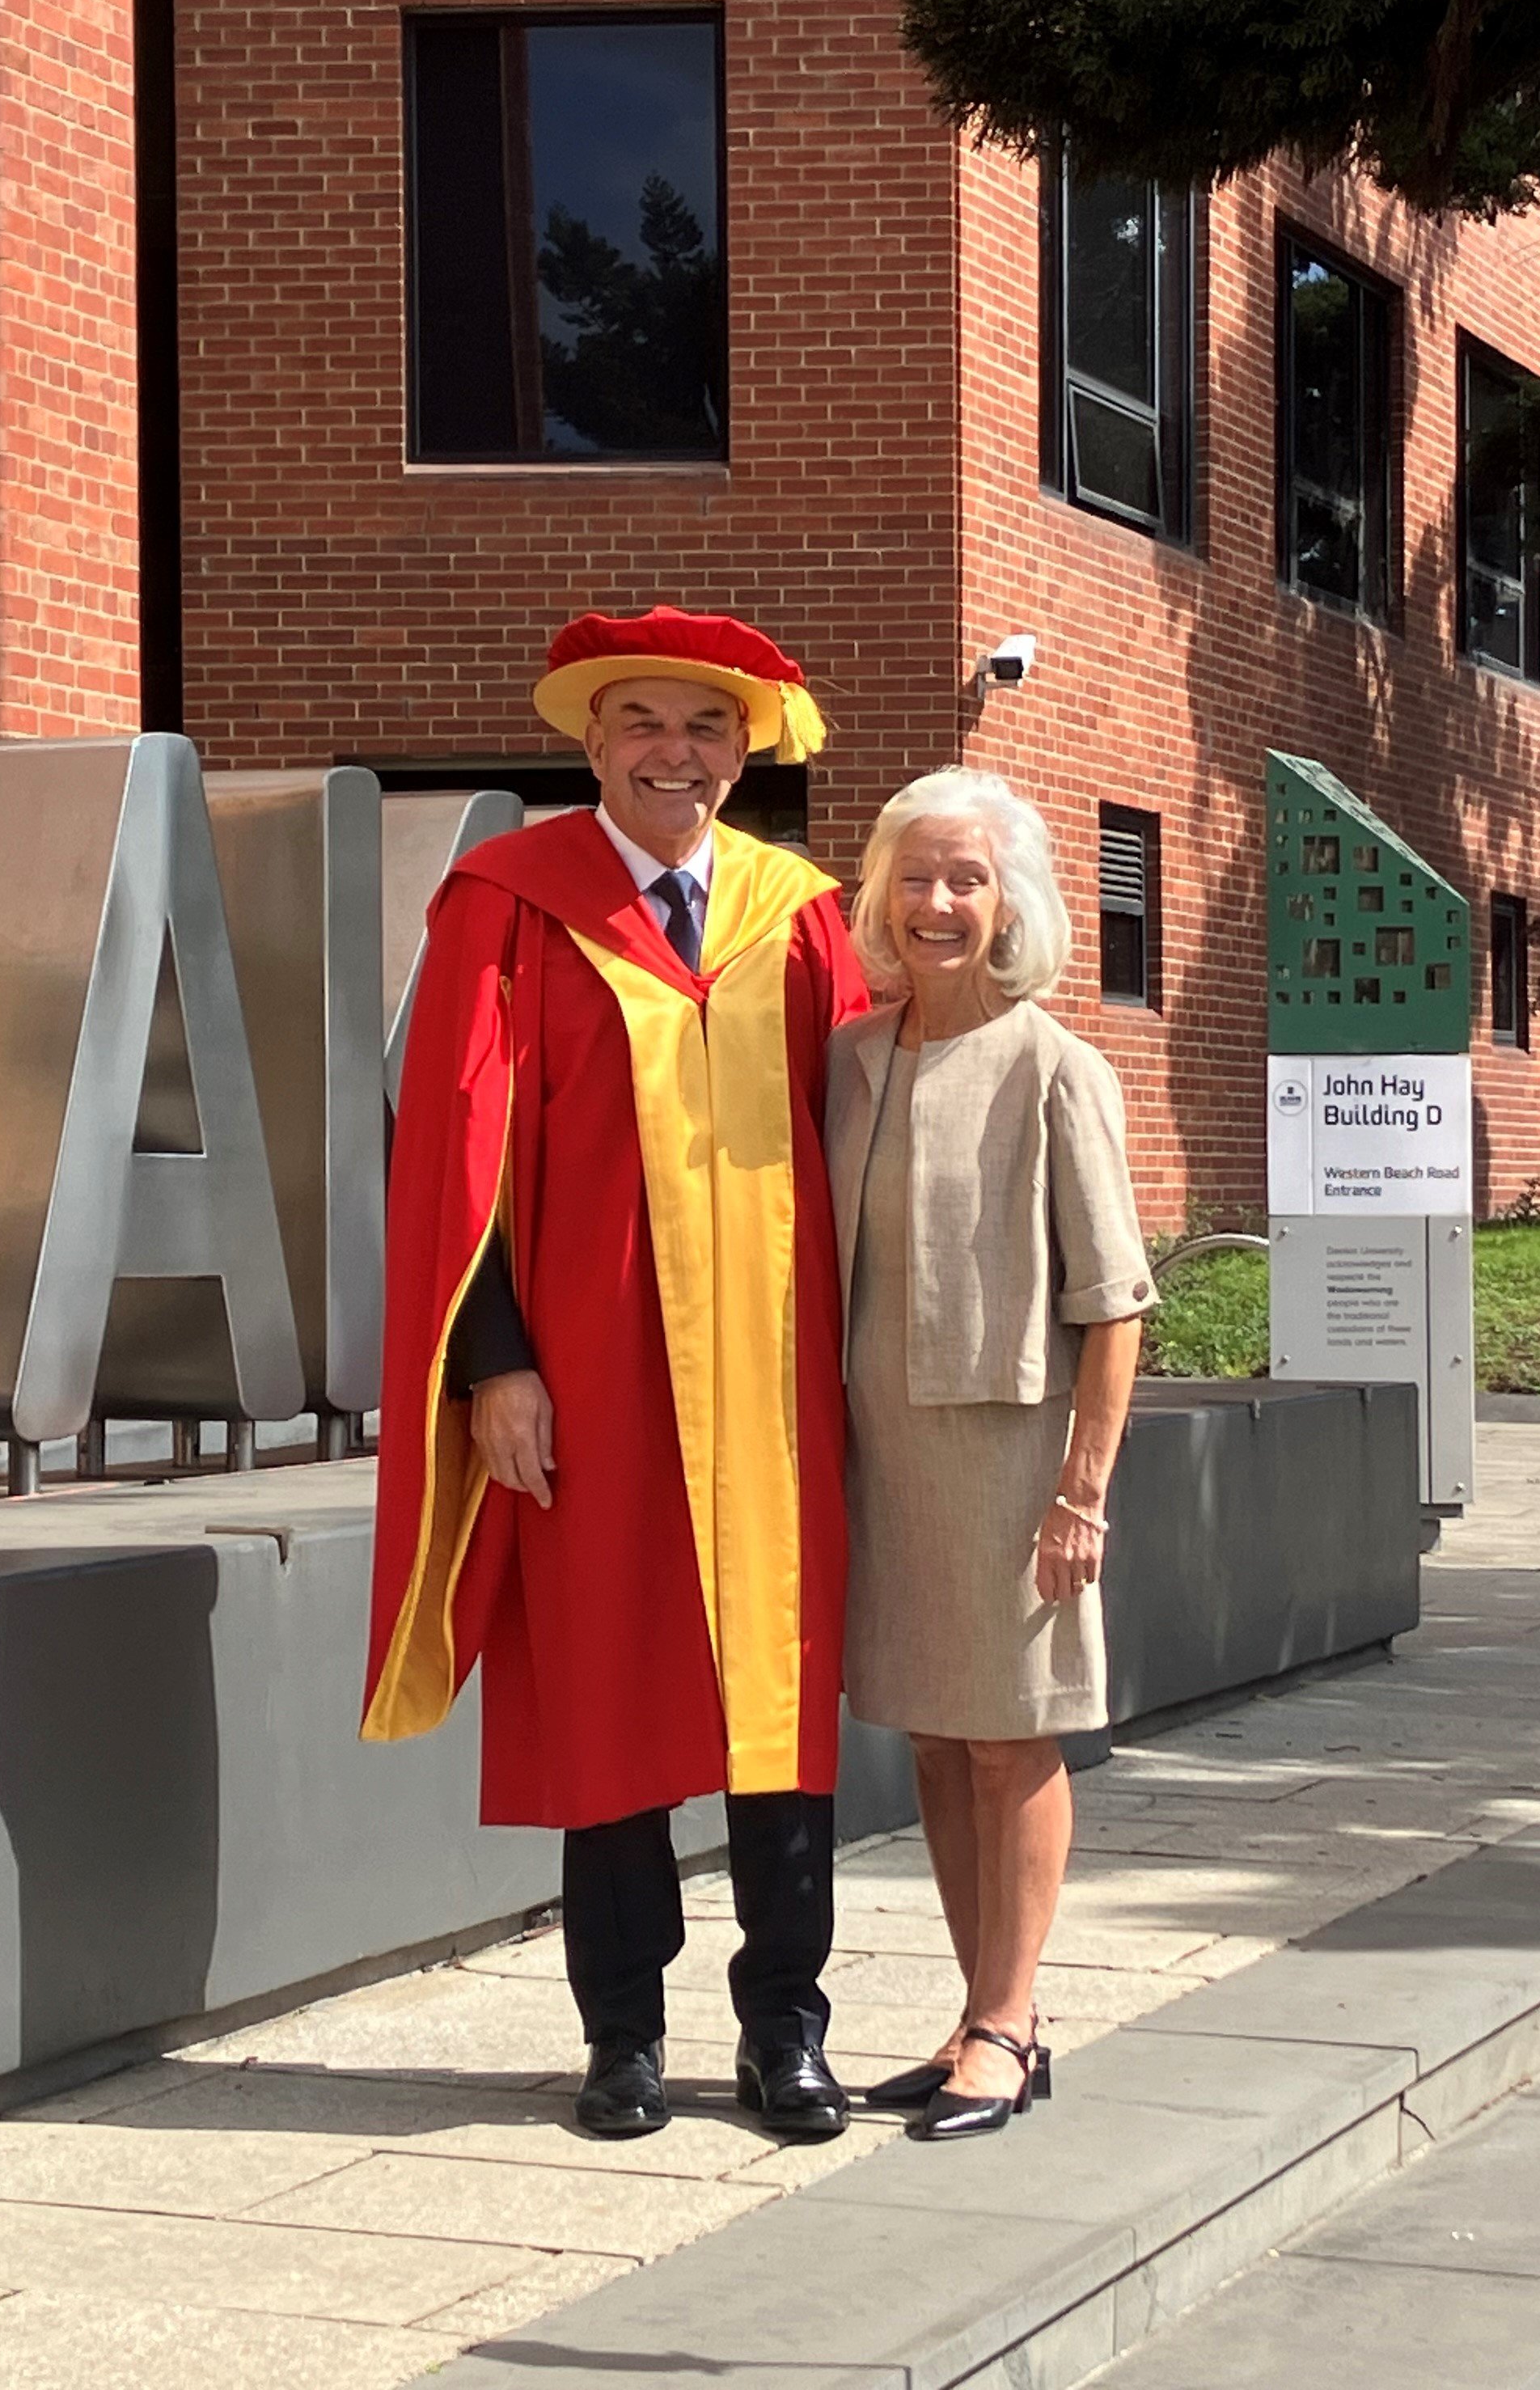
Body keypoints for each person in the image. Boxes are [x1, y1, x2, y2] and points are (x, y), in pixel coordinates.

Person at [364, 606, 869, 2143]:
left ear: (745, 751)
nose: (676, 751)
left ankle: (786, 2027)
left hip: (781, 1390)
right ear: (591, 744)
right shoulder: (511, 899)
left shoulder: (801, 912)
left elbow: (867, 1143)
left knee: (779, 1711)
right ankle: (622, 2036)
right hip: (588, 1379)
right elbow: (451, 1155)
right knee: (606, 1698)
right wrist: (494, 1363)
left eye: (707, 726)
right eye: (644, 723)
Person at [826, 768, 1152, 2142]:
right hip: (883, 1451)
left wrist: (1085, 1492)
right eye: (917, 876)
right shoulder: (849, 1059)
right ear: (881, 896)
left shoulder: (1055, 1066)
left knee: (1011, 1736)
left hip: (1013, 1454)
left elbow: (1116, 1302)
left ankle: (1012, 2022)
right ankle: (975, 2010)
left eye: (966, 879)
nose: (939, 902)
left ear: (1010, 900)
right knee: (937, 1735)